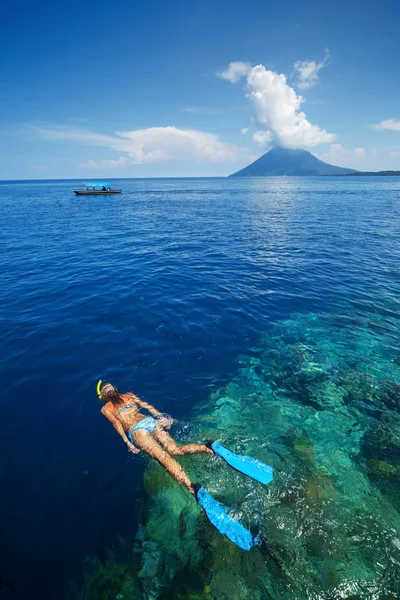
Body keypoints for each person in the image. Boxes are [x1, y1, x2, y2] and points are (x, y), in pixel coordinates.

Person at [98, 382, 212, 496]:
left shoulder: (106, 409)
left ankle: (191, 487)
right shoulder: (129, 395)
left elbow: (116, 423)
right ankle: (206, 447)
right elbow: (147, 406)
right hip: (150, 421)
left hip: (138, 431)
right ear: (116, 389)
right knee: (175, 450)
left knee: (164, 458)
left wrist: (127, 442)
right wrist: (162, 418)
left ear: (104, 397)